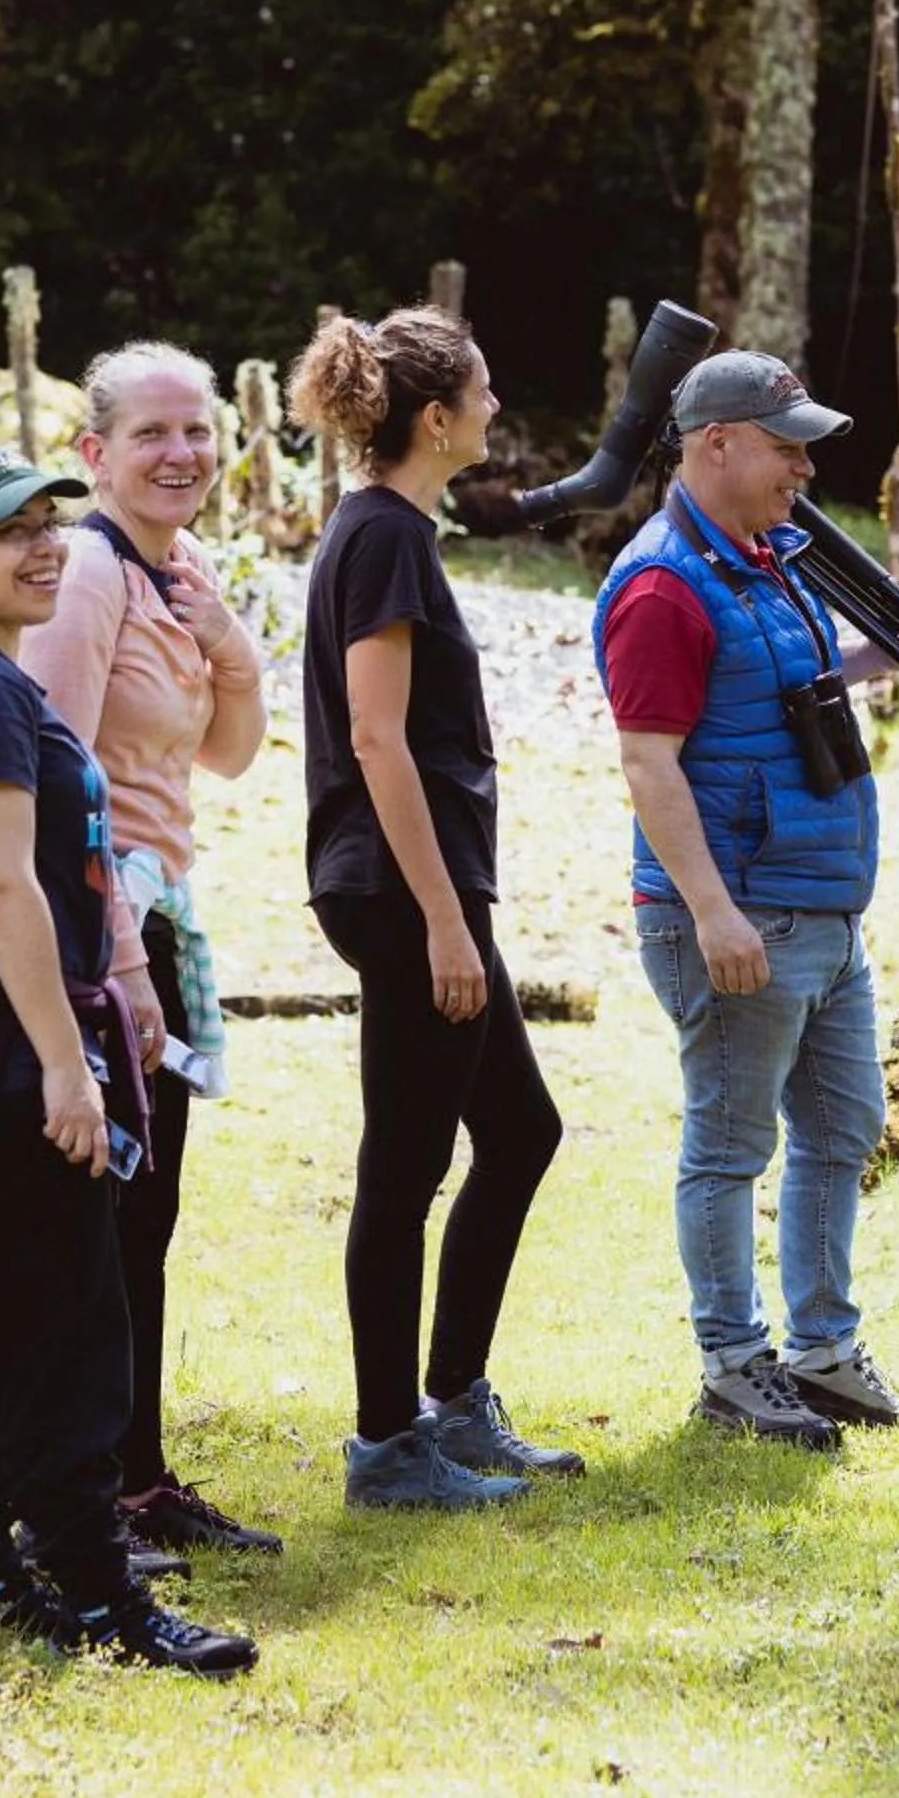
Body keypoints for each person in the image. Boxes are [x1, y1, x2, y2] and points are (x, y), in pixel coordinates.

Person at [0, 440, 257, 1674]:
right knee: (67, 1326)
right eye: (9, 531)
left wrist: (118, 980)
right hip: (1, 1055)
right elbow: (2, 885)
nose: (44, 548)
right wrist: (66, 1067)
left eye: (49, 524)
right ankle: (100, 1601)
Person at [593, 352, 899, 1442]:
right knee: (730, 1148)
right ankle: (734, 1367)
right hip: (739, 913)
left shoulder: (764, 559)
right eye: (786, 446)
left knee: (842, 1129)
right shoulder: (662, 587)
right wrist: (711, 912)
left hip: (820, 908)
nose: (804, 467)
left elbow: (778, 692)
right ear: (716, 444)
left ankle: (823, 1354)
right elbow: (648, 762)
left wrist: (874, 658)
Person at [288, 307, 581, 1511]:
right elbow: (376, 738)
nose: (496, 407)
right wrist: (445, 921)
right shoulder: (384, 539)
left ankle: (451, 1398)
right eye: (483, 390)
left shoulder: (388, 529)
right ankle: (386, 1446)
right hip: (404, 889)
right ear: (434, 416)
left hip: (420, 886)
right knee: (404, 1168)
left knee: (519, 1133)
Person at [20, 341, 281, 1560]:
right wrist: (119, 960)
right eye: (151, 435)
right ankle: (77, 1496)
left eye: (197, 432)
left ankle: (135, 1479)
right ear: (95, 453)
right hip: (97, 925)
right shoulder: (86, 574)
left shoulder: (178, 570)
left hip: (157, 913)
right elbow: (56, 777)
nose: (181, 454)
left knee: (148, 1211)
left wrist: (227, 638)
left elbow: (229, 752)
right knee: (102, 1219)